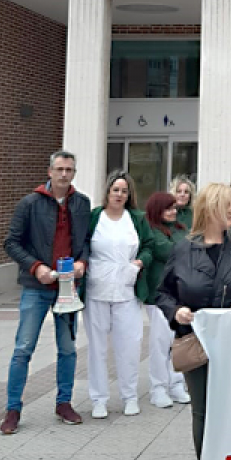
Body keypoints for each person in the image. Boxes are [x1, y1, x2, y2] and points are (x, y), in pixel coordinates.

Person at [155, 183, 231, 459]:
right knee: (204, 412)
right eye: (228, 205)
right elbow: (162, 293)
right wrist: (177, 311)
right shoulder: (182, 249)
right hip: (196, 342)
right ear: (211, 210)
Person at [0, 150, 91, 434]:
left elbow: (86, 240)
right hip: (36, 287)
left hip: (67, 288)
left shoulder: (82, 203)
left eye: (70, 170)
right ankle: (12, 408)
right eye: (60, 169)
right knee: (23, 348)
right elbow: (11, 242)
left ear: (74, 173)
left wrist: (81, 263)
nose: (64, 174)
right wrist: (35, 267)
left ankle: (64, 402)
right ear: (49, 171)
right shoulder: (29, 203)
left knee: (67, 349)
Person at [81, 170, 155, 418]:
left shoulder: (136, 218)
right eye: (116, 190)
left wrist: (140, 263)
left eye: (124, 191)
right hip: (97, 288)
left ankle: (129, 396)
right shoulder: (94, 217)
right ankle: (99, 399)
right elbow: (81, 244)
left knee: (129, 345)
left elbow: (149, 246)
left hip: (127, 288)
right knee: (98, 347)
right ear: (107, 192)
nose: (120, 194)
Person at [142, 192, 192, 408]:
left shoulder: (180, 229)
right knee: (160, 343)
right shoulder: (152, 231)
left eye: (174, 208)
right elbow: (169, 251)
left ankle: (177, 383)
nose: (173, 212)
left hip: (182, 294)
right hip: (159, 296)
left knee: (179, 341)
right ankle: (158, 388)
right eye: (168, 208)